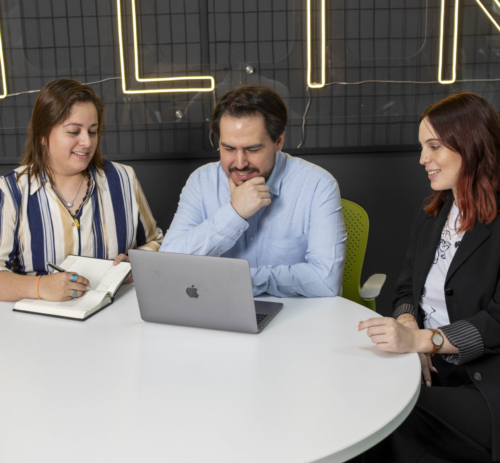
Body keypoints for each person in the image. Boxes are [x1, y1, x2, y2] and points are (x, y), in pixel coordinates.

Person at [293, 92, 500, 463]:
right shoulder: (434, 213)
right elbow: (407, 288)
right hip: (439, 376)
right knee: (359, 411)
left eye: (434, 146)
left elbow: (498, 320)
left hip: (487, 392)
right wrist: (407, 323)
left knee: (379, 419)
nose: (423, 159)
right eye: (422, 147)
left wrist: (424, 341)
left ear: (472, 145)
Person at [160, 85, 346, 298]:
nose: (240, 163)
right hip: (218, 310)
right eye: (229, 149)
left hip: (297, 314)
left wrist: (240, 280)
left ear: (278, 141)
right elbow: (166, 264)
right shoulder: (201, 182)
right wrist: (234, 214)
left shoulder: (318, 185)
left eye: (253, 149)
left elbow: (325, 282)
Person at [0, 79, 163, 302]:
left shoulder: (123, 178)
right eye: (73, 131)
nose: (87, 142)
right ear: (42, 135)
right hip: (40, 321)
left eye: (92, 131)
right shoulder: (10, 191)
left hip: (114, 315)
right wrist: (39, 286)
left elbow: (157, 242)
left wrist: (135, 263)